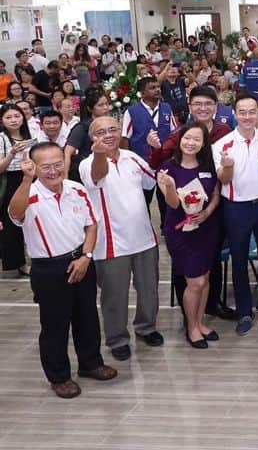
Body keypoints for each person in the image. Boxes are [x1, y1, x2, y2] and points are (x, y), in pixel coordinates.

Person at [8, 142, 117, 397]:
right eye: (45, 167)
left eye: (58, 164)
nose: (53, 171)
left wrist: (86, 256)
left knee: (87, 316)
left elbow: (91, 225)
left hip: (81, 260)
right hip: (48, 268)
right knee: (55, 325)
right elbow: (15, 213)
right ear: (34, 168)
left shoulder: (77, 190)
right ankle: (59, 377)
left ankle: (91, 363)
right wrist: (25, 180)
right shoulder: (29, 194)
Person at [79, 116, 162, 362]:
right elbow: (98, 175)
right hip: (110, 242)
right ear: (93, 137)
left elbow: (153, 177)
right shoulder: (88, 163)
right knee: (114, 295)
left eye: (113, 129)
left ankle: (146, 327)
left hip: (144, 237)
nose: (108, 135)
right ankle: (117, 338)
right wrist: (100, 155)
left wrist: (156, 150)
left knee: (149, 290)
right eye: (101, 131)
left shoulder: (132, 157)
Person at [213, 95, 258, 336]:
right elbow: (222, 180)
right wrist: (227, 166)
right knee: (239, 259)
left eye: (252, 112)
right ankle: (244, 310)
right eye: (242, 112)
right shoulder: (222, 144)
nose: (247, 116)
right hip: (236, 208)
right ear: (234, 114)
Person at [156, 123, 221, 349]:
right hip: (180, 232)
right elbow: (172, 203)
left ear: (204, 143)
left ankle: (200, 322)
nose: (191, 143)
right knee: (195, 281)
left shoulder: (208, 166)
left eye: (196, 139)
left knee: (205, 279)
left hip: (206, 228)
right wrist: (172, 186)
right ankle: (191, 327)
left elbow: (215, 194)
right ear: (180, 139)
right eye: (187, 138)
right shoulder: (167, 168)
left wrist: (207, 212)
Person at [0, 102, 35, 276]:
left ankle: (34, 257)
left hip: (31, 178)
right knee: (12, 224)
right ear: (2, 120)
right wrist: (12, 153)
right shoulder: (1, 138)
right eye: (8, 117)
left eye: (16, 116)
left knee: (32, 220)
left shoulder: (31, 135)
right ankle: (17, 262)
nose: (13, 120)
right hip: (11, 181)